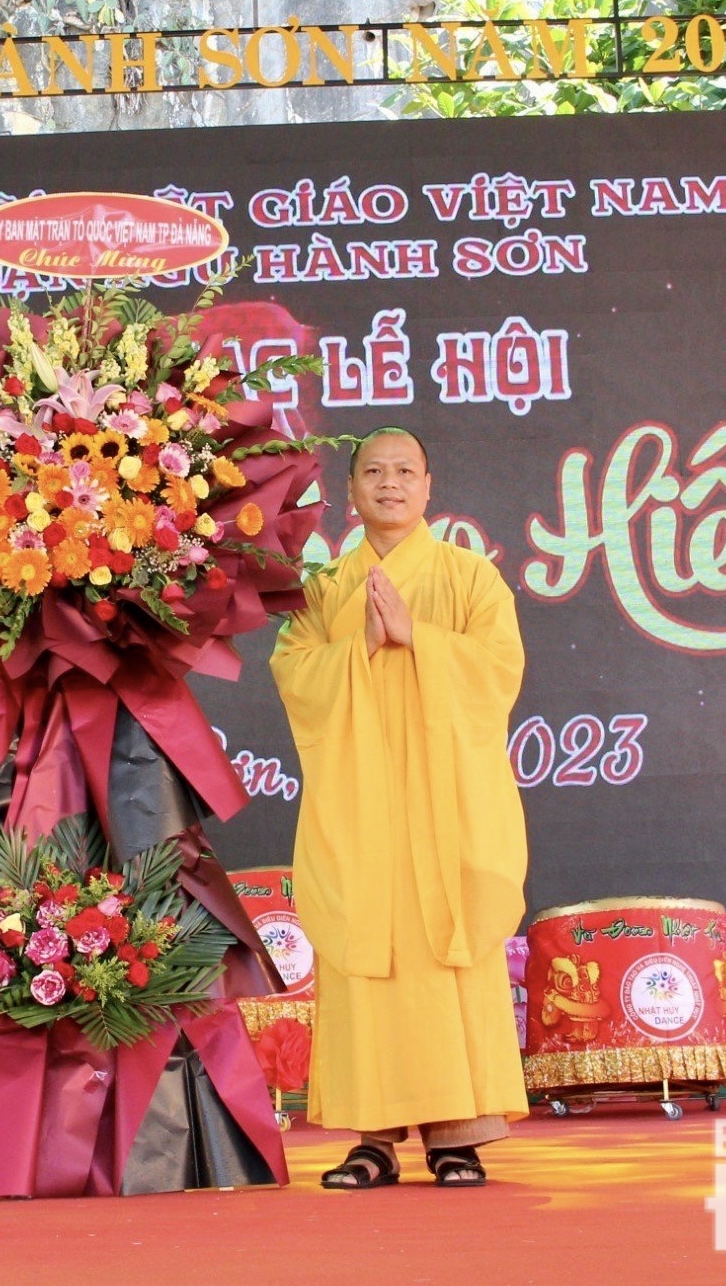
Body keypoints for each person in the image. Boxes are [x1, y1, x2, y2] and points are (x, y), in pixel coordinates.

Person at [270, 426, 529, 1191]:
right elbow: (295, 676)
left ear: (428, 486)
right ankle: (372, 1139)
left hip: (448, 808)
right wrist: (362, 650)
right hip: (361, 809)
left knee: (445, 945)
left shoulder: (471, 578)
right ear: (350, 492)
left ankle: (458, 1134)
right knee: (365, 952)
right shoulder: (322, 592)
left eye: (404, 471)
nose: (390, 483)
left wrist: (420, 638)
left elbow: (499, 672)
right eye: (373, 472)